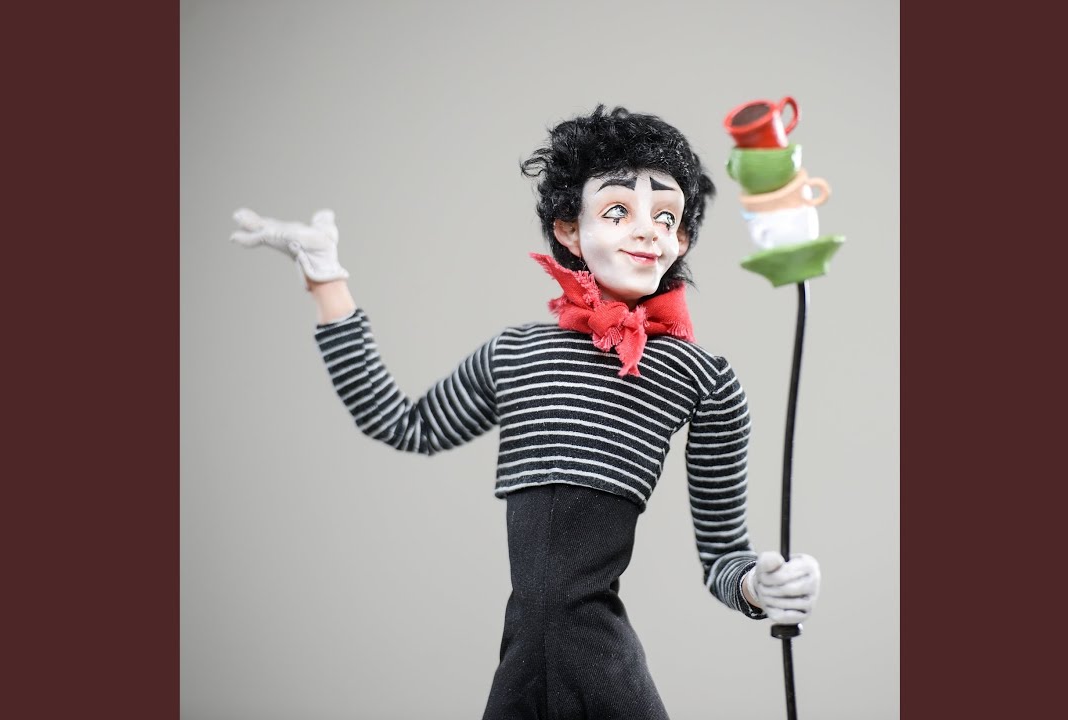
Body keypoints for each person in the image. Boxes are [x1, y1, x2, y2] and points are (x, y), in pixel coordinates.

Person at [231, 105, 821, 719]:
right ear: (569, 230)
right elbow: (403, 424)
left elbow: (724, 555)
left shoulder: (699, 376)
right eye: (617, 211)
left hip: (606, 673)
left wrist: (760, 586)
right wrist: (327, 280)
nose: (649, 232)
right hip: (520, 672)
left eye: (666, 217)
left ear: (682, 241)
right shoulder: (517, 354)